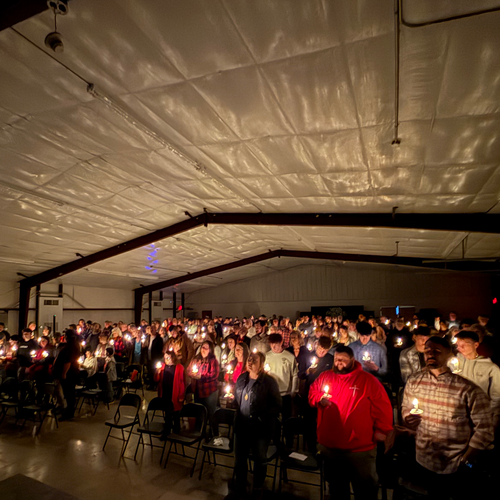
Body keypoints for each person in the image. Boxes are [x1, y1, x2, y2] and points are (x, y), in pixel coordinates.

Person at [402, 336, 494, 499]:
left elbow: (485, 429)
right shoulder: (414, 382)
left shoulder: (467, 389)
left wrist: (466, 460)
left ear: (449, 355)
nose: (430, 354)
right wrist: (407, 418)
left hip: (454, 464)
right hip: (423, 458)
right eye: (427, 350)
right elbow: (406, 409)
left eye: (437, 351)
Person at [309, 345, 393, 500]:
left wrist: (382, 430)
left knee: (365, 491)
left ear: (352, 360)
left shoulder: (367, 380)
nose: (338, 363)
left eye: (343, 360)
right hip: (330, 447)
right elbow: (312, 392)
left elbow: (382, 408)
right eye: (336, 359)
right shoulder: (325, 376)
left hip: (359, 450)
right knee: (337, 490)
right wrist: (319, 398)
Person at [232, 351, 282, 498]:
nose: (250, 361)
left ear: (261, 364)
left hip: (260, 429)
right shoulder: (242, 378)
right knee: (240, 458)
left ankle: (258, 487)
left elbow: (277, 405)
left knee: (260, 459)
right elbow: (238, 399)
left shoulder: (269, 382)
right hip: (242, 425)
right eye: (249, 359)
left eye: (255, 360)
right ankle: (241, 485)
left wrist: (261, 417)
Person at [455, 330, 500, 428]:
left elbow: (496, 396)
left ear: (476, 345)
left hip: (481, 415)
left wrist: (490, 417)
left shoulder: (491, 368)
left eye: (464, 345)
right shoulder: (455, 362)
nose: (460, 348)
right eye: (458, 345)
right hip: (458, 413)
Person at [265, 333, 298, 421]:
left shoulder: (290, 357)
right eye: (271, 344)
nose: (273, 346)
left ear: (281, 342)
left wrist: (293, 391)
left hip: (285, 394)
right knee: (272, 419)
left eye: (276, 344)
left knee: (286, 419)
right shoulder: (266, 356)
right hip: (271, 394)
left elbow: (295, 375)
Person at [187, 341, 219, 432]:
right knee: (199, 411)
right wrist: (192, 374)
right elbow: (188, 370)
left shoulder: (213, 361)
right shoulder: (196, 359)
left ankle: (214, 432)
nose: (203, 350)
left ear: (210, 350)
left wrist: (201, 376)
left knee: (211, 412)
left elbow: (214, 375)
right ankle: (199, 432)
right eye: (202, 347)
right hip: (197, 390)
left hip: (209, 391)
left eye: (206, 348)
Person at [52, 329, 80, 421]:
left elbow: (68, 361)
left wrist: (64, 373)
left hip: (69, 374)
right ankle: (68, 411)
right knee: (69, 394)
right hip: (71, 372)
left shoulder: (70, 347)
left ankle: (69, 413)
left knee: (69, 394)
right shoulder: (73, 345)